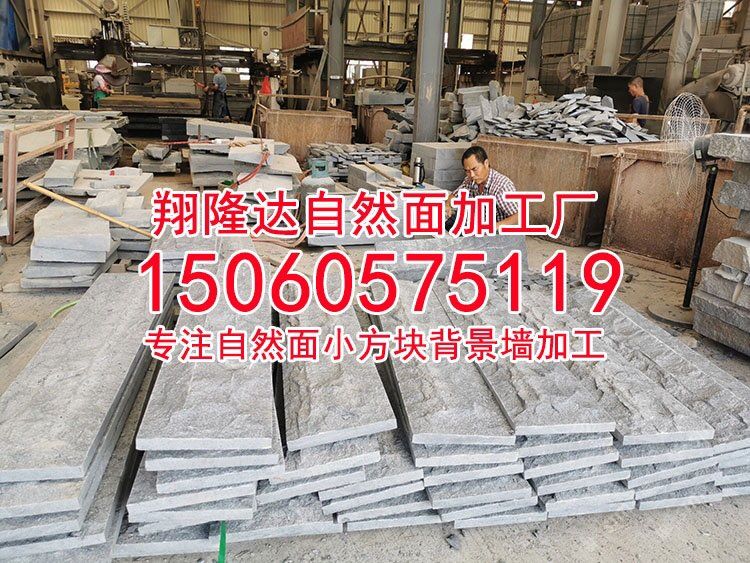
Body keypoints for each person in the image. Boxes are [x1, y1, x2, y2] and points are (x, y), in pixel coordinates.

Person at [446, 146, 519, 230]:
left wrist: (493, 227)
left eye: (475, 169)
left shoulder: (502, 187)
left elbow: (518, 216)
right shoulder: (470, 180)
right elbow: (454, 194)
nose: (472, 175)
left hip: (497, 232)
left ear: (486, 163)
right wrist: (447, 205)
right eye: (467, 171)